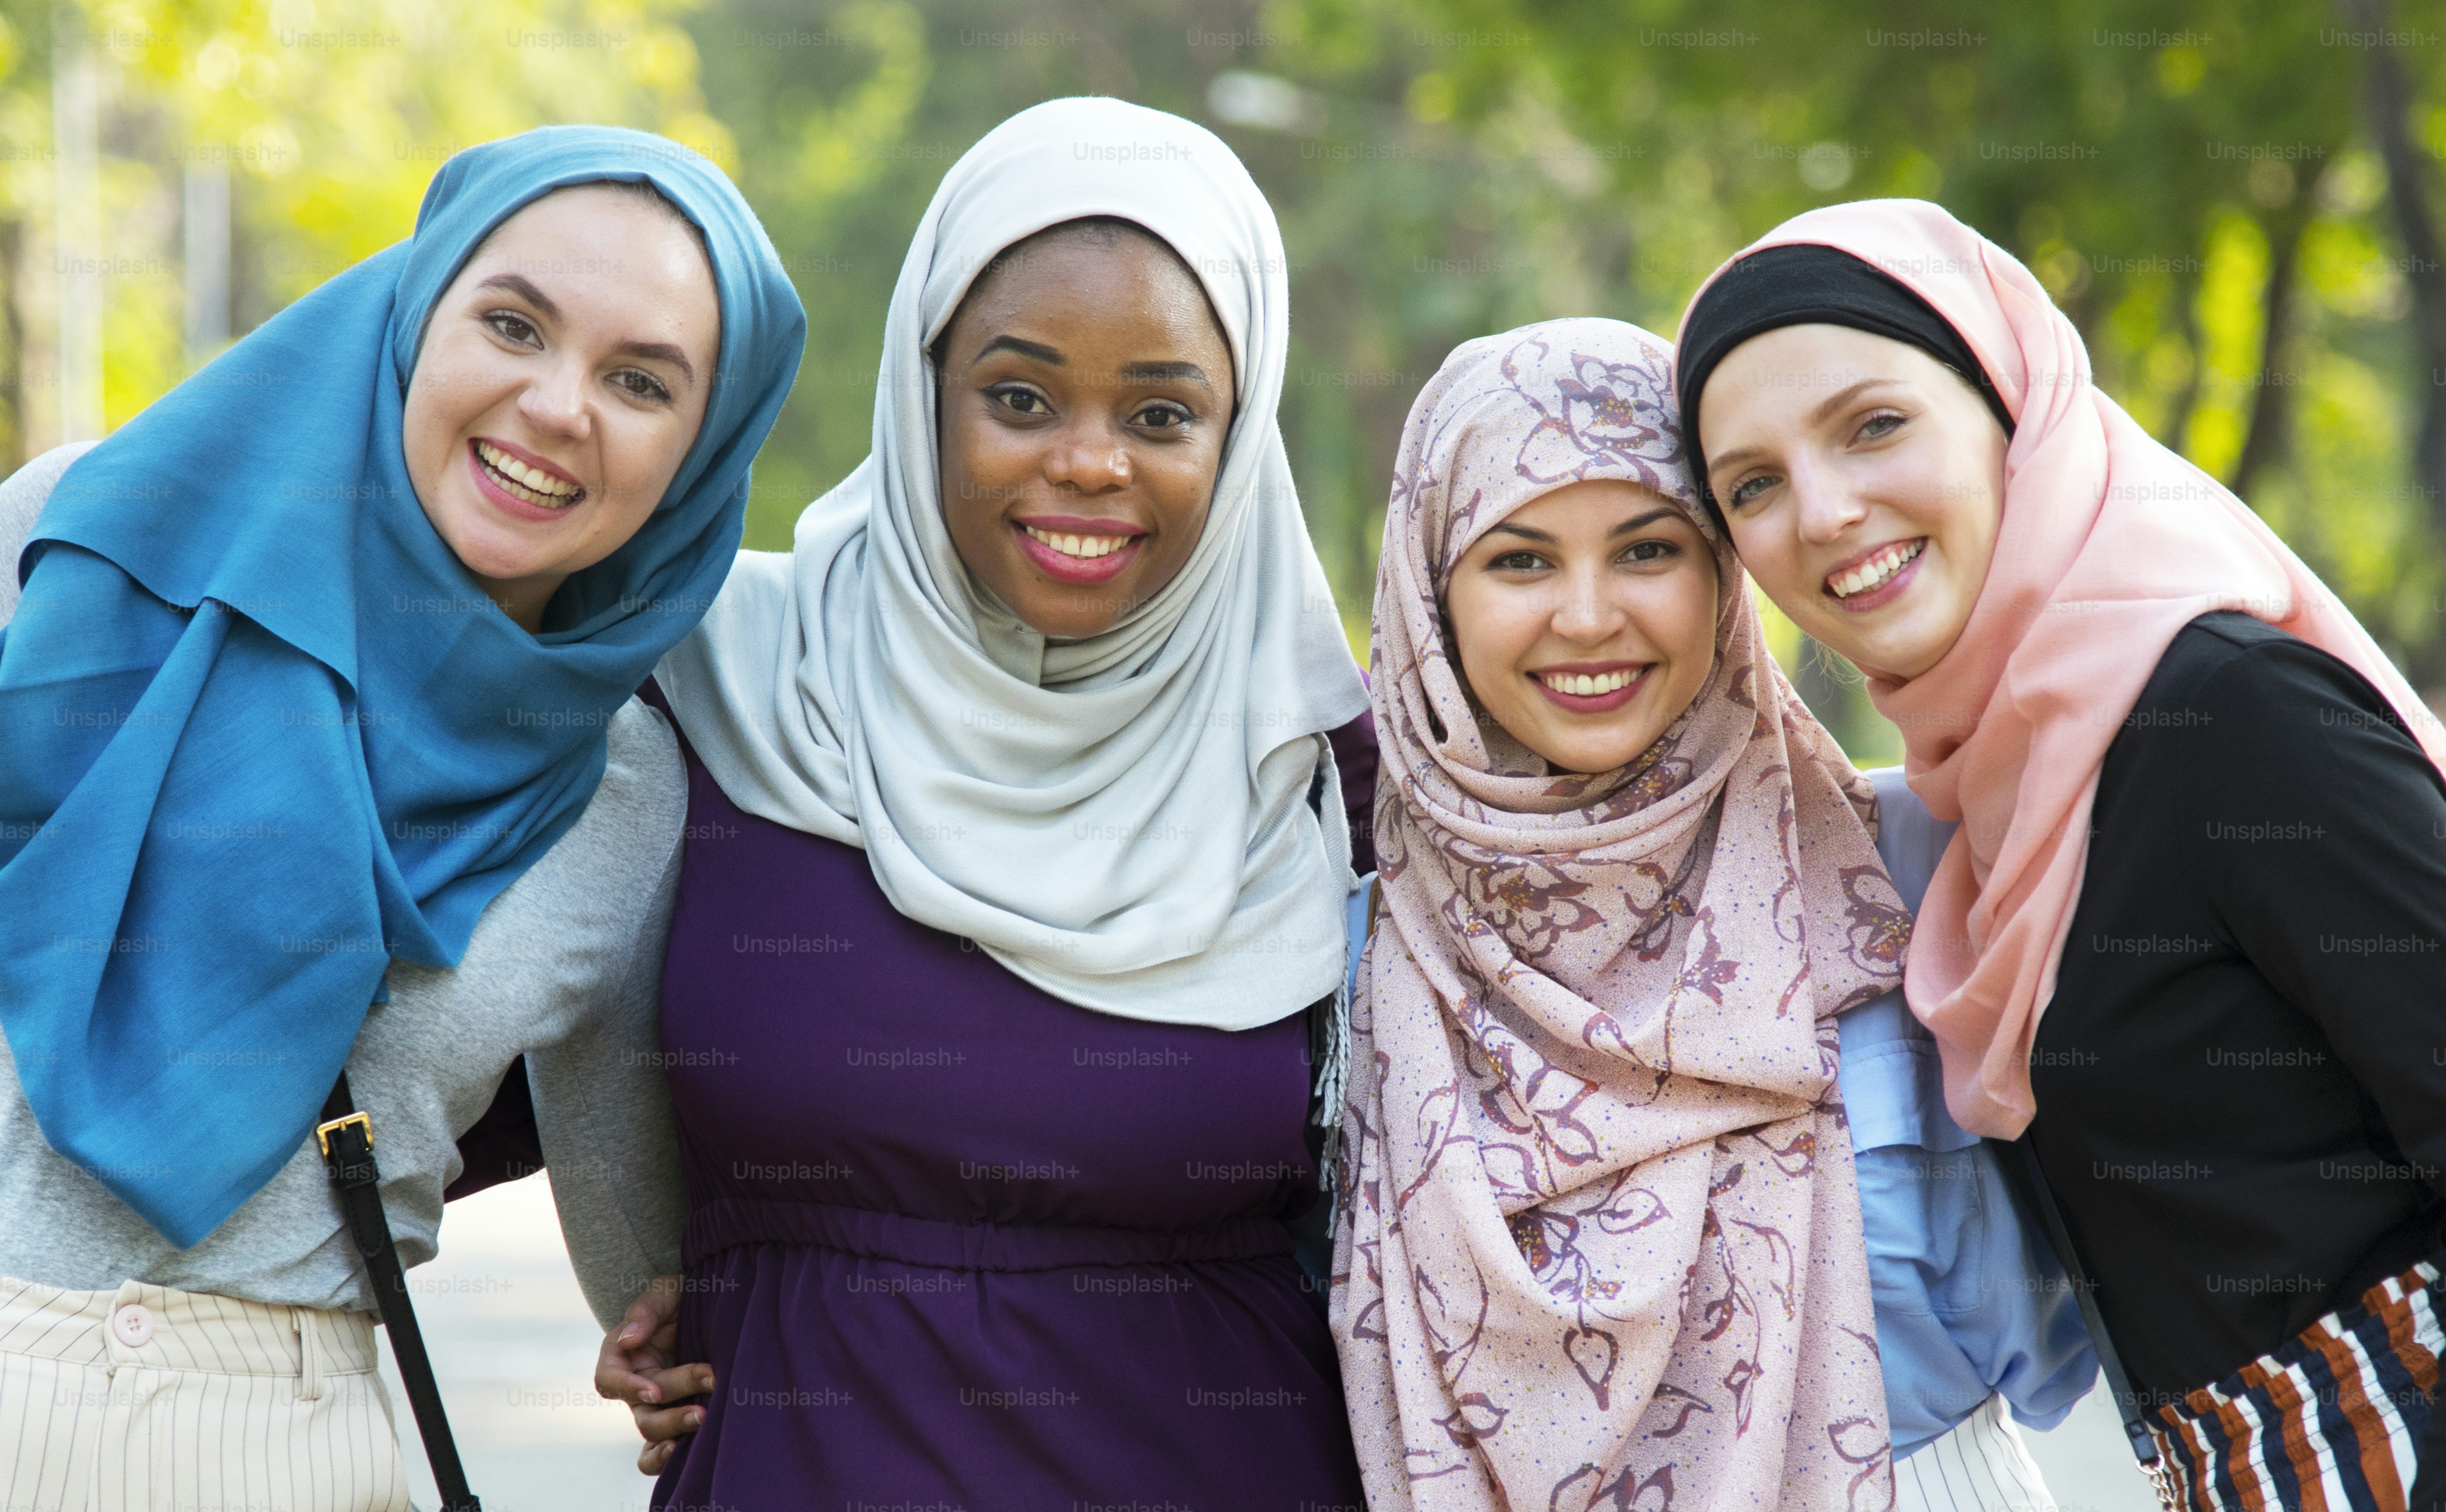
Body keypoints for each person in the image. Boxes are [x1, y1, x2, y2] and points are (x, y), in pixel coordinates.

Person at [0, 127, 804, 1511]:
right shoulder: (84, 536)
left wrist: (690, 1344)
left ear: (701, 453)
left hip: (281, 1444)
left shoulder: (618, 788)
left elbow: (648, 1263)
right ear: (414, 310)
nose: (558, 406)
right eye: (511, 323)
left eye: (640, 381)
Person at [593, 98, 1374, 1510]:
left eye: (1162, 412)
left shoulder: (1325, 763)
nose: (1087, 460)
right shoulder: (720, 684)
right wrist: (661, 1268)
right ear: (922, 387)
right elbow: (477, 1024)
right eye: (1018, 396)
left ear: (1239, 433)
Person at [1678, 197, 2446, 1512]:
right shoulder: (1997, 790)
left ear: (2011, 410)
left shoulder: (2219, 710)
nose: (1821, 509)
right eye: (1752, 484)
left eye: (1873, 424)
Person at [1332, 315, 2089, 1512]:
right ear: (1431, 596)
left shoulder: (1911, 868)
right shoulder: (1357, 958)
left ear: (1726, 573)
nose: (1587, 617)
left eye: (1647, 549)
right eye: (1519, 560)